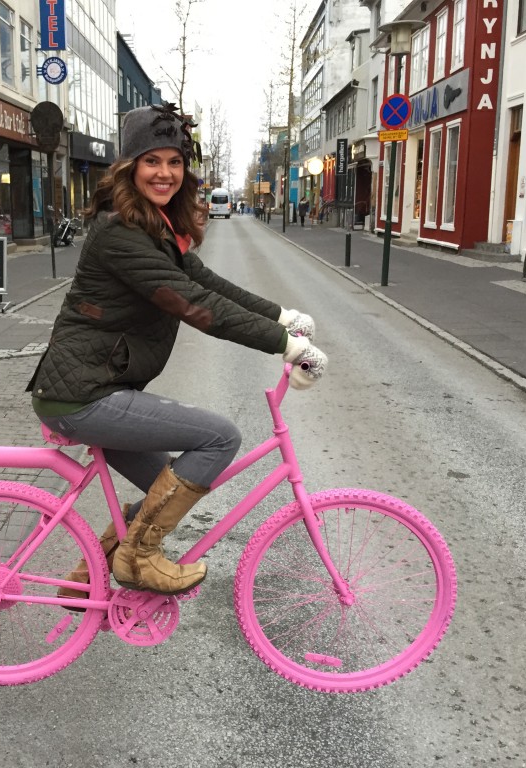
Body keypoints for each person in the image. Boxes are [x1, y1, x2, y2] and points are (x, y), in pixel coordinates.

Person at [27, 103, 327, 597]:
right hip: (83, 394)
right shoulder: (120, 231)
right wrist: (287, 347)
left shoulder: (155, 226)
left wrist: (281, 317)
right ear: (130, 166)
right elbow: (195, 304)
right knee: (218, 440)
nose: (164, 172)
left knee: (160, 491)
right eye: (152, 161)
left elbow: (205, 282)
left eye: (174, 161)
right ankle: (137, 560)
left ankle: (88, 585)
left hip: (98, 386)